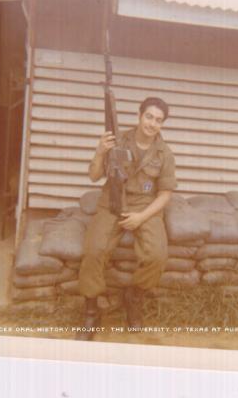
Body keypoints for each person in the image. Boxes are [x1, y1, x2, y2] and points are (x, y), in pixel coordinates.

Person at [76, 97, 177, 340]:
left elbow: (165, 194)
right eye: (149, 117)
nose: (152, 124)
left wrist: (141, 217)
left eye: (158, 120)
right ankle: (91, 310)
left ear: (163, 124)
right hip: (112, 200)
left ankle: (134, 297)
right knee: (94, 249)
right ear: (140, 116)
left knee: (156, 254)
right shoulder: (117, 140)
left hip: (143, 205)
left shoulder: (164, 154)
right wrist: (100, 151)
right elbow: (93, 175)